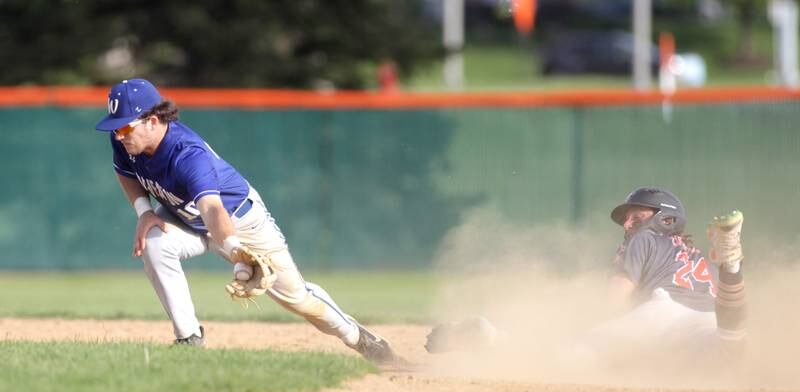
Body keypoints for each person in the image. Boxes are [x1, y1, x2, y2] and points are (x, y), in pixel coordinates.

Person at [95, 78, 398, 365]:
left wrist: (233, 247)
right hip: (185, 218)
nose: (118, 135)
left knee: (298, 298)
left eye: (124, 128)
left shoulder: (187, 154)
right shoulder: (125, 142)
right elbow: (125, 172)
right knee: (155, 243)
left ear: (152, 121)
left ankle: (360, 339)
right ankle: (188, 338)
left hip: (240, 223)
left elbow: (213, 209)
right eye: (116, 129)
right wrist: (144, 212)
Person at [425, 186, 746, 362]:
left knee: (573, 358)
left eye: (637, 215)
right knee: (728, 352)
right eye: (627, 219)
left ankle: (491, 337)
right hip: (709, 320)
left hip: (658, 313)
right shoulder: (693, 254)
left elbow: (615, 301)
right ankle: (732, 266)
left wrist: (594, 329)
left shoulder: (642, 239)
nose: (628, 224)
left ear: (665, 219)